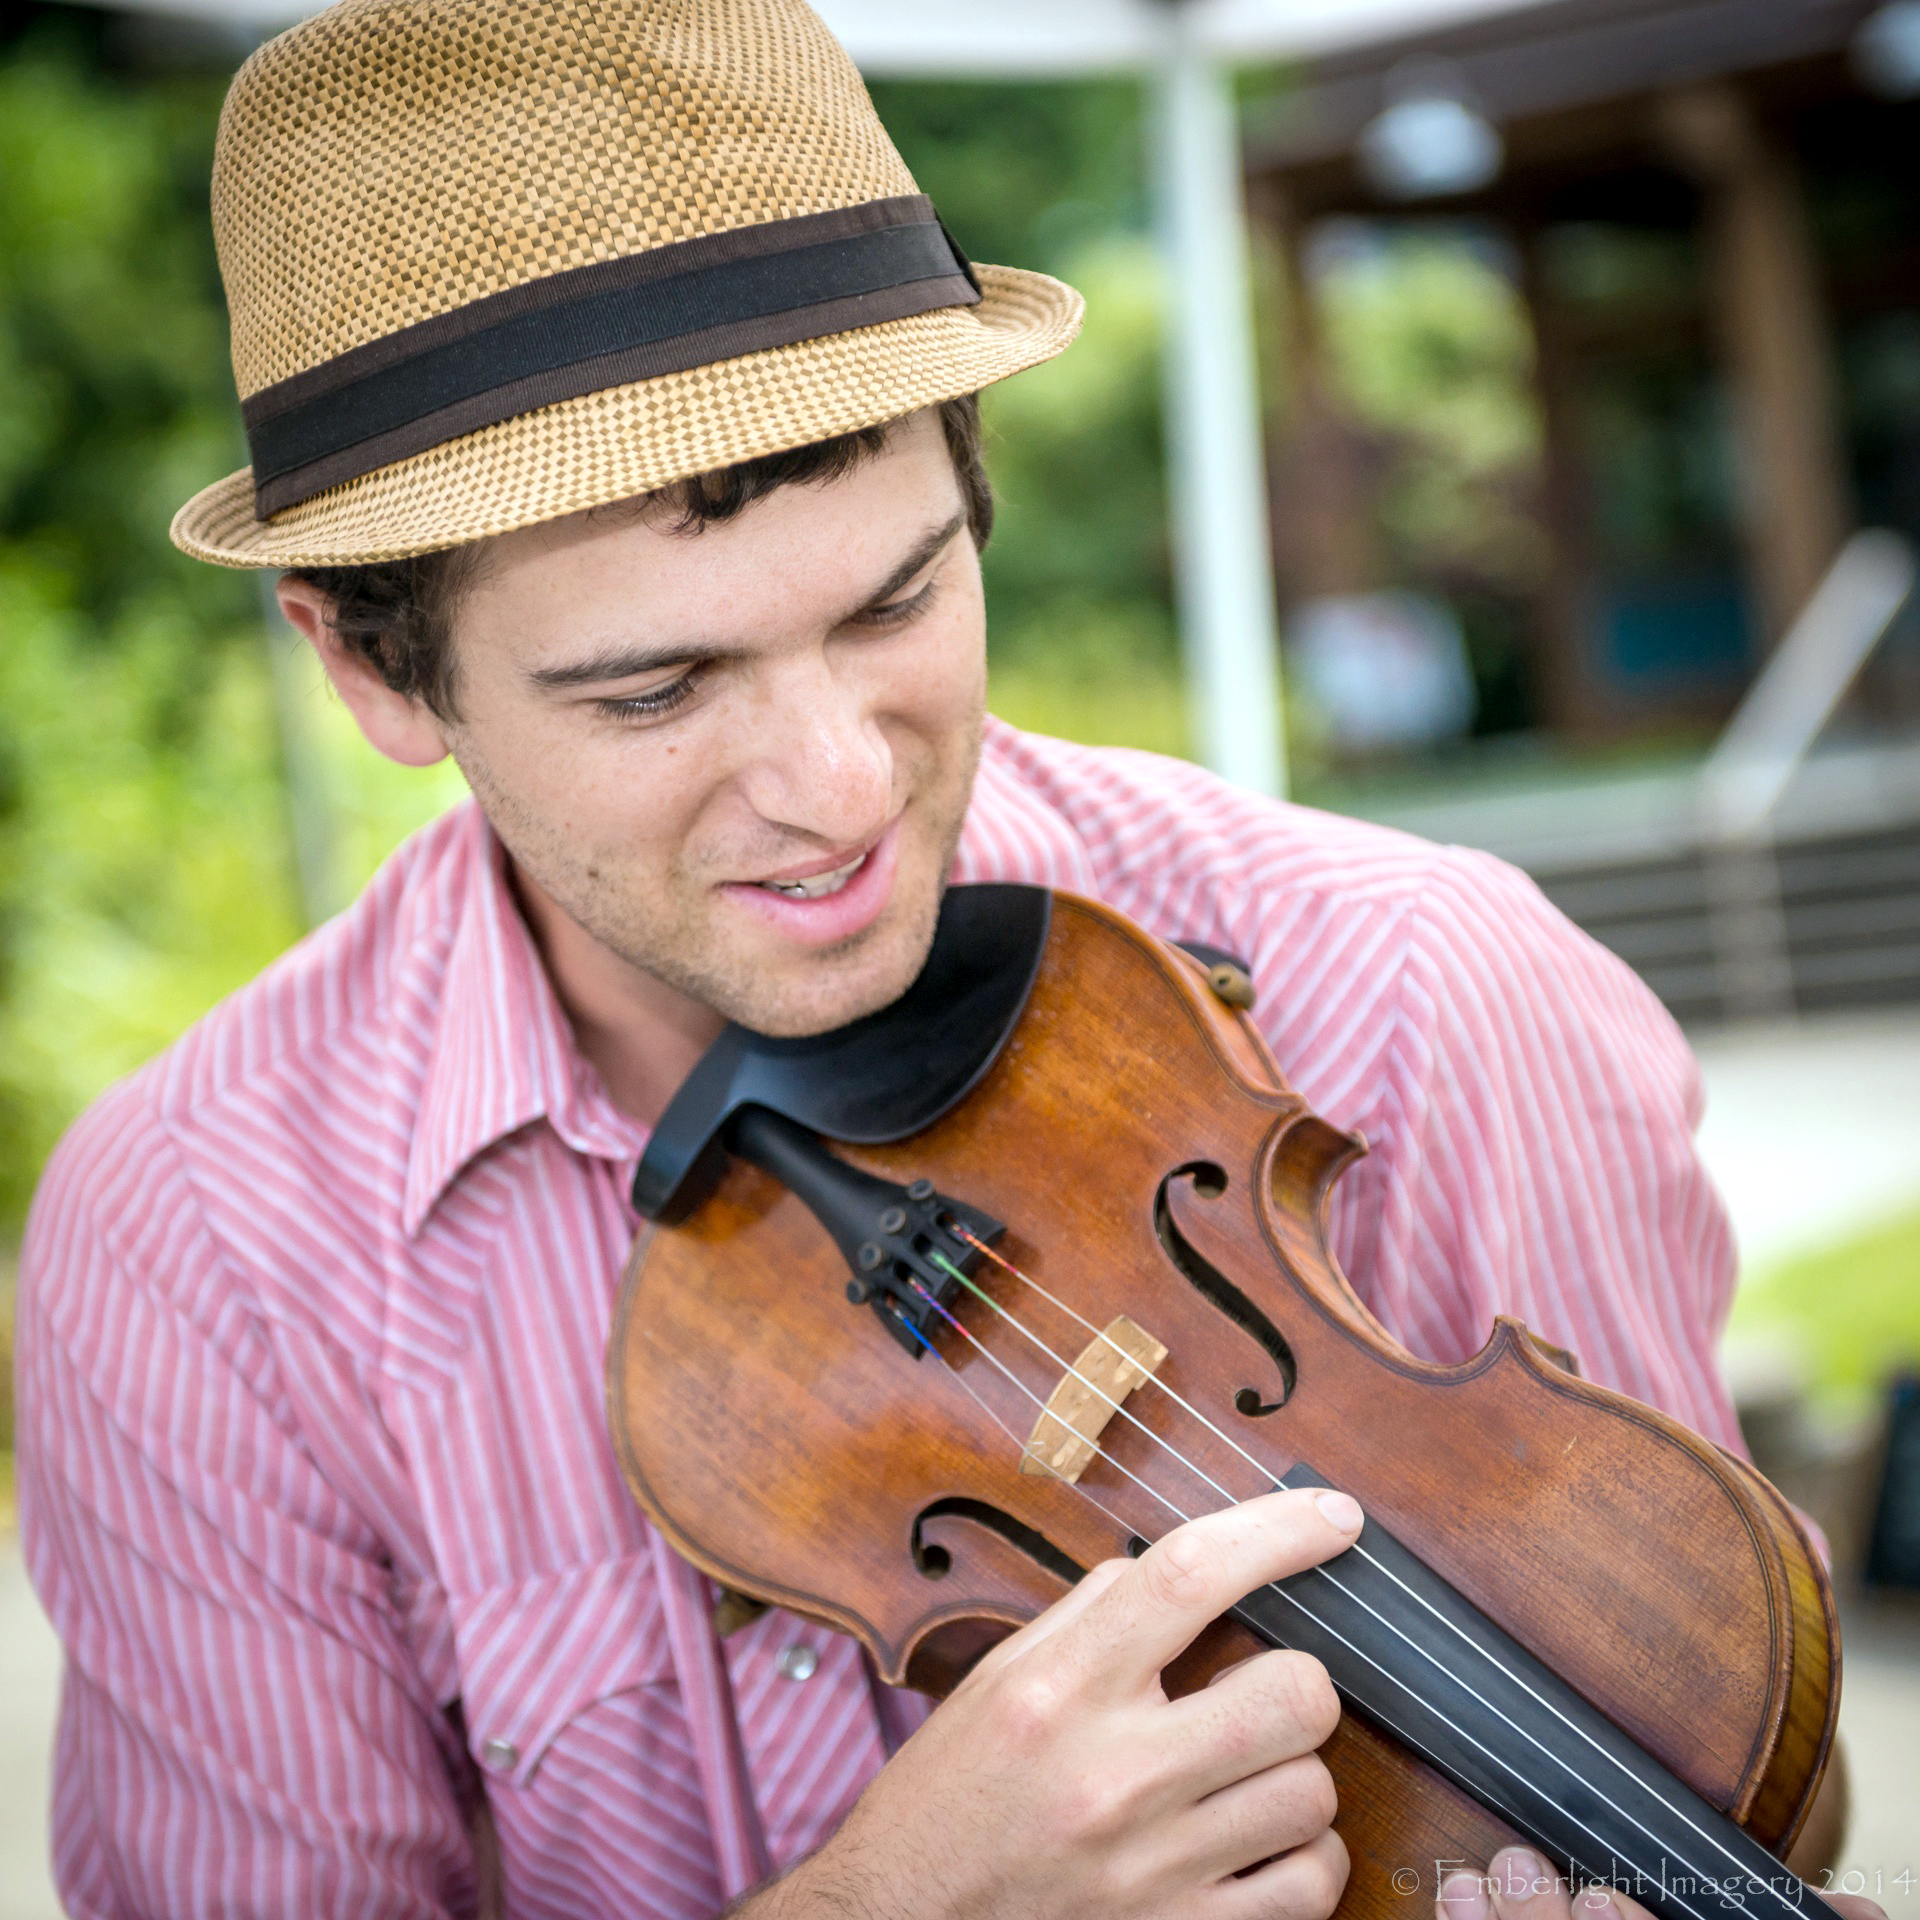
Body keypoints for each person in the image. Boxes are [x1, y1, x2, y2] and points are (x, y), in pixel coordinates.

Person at [13, 2, 1873, 1917]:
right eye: (656, 688)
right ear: (366, 666)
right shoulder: (196, 1257)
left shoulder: (1423, 991)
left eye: (896, 598)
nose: (833, 788)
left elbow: (1744, 1768)